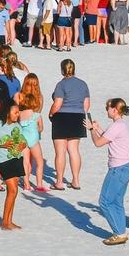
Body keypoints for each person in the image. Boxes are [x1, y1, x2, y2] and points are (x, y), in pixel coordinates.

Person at [85, 98, 129, 246]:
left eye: (107, 108)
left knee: (105, 201)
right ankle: (121, 230)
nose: (106, 110)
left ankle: (118, 233)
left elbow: (98, 143)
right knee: (117, 202)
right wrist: (98, 128)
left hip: (118, 169)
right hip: (127, 168)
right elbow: (109, 137)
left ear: (114, 110)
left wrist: (92, 130)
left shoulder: (117, 126)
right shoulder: (122, 125)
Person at [48, 59, 89, 190]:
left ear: (62, 70)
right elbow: (86, 105)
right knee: (74, 150)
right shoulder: (83, 84)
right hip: (78, 116)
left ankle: (59, 182)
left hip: (62, 116)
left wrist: (50, 114)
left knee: (60, 152)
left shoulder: (61, 84)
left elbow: (58, 103)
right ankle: (76, 180)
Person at [0, 103, 28, 230]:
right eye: (15, 112)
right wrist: (2, 145)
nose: (17, 115)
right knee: (13, 190)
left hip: (17, 158)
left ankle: (9, 220)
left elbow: (23, 140)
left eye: (18, 112)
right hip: (3, 160)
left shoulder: (17, 125)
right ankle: (4, 222)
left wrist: (22, 145)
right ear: (7, 112)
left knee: (13, 191)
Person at [16, 73, 46, 191]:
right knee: (39, 161)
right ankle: (39, 184)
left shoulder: (19, 96)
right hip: (33, 135)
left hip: (22, 134)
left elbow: (15, 113)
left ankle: (26, 183)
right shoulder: (39, 97)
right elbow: (40, 125)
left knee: (25, 161)